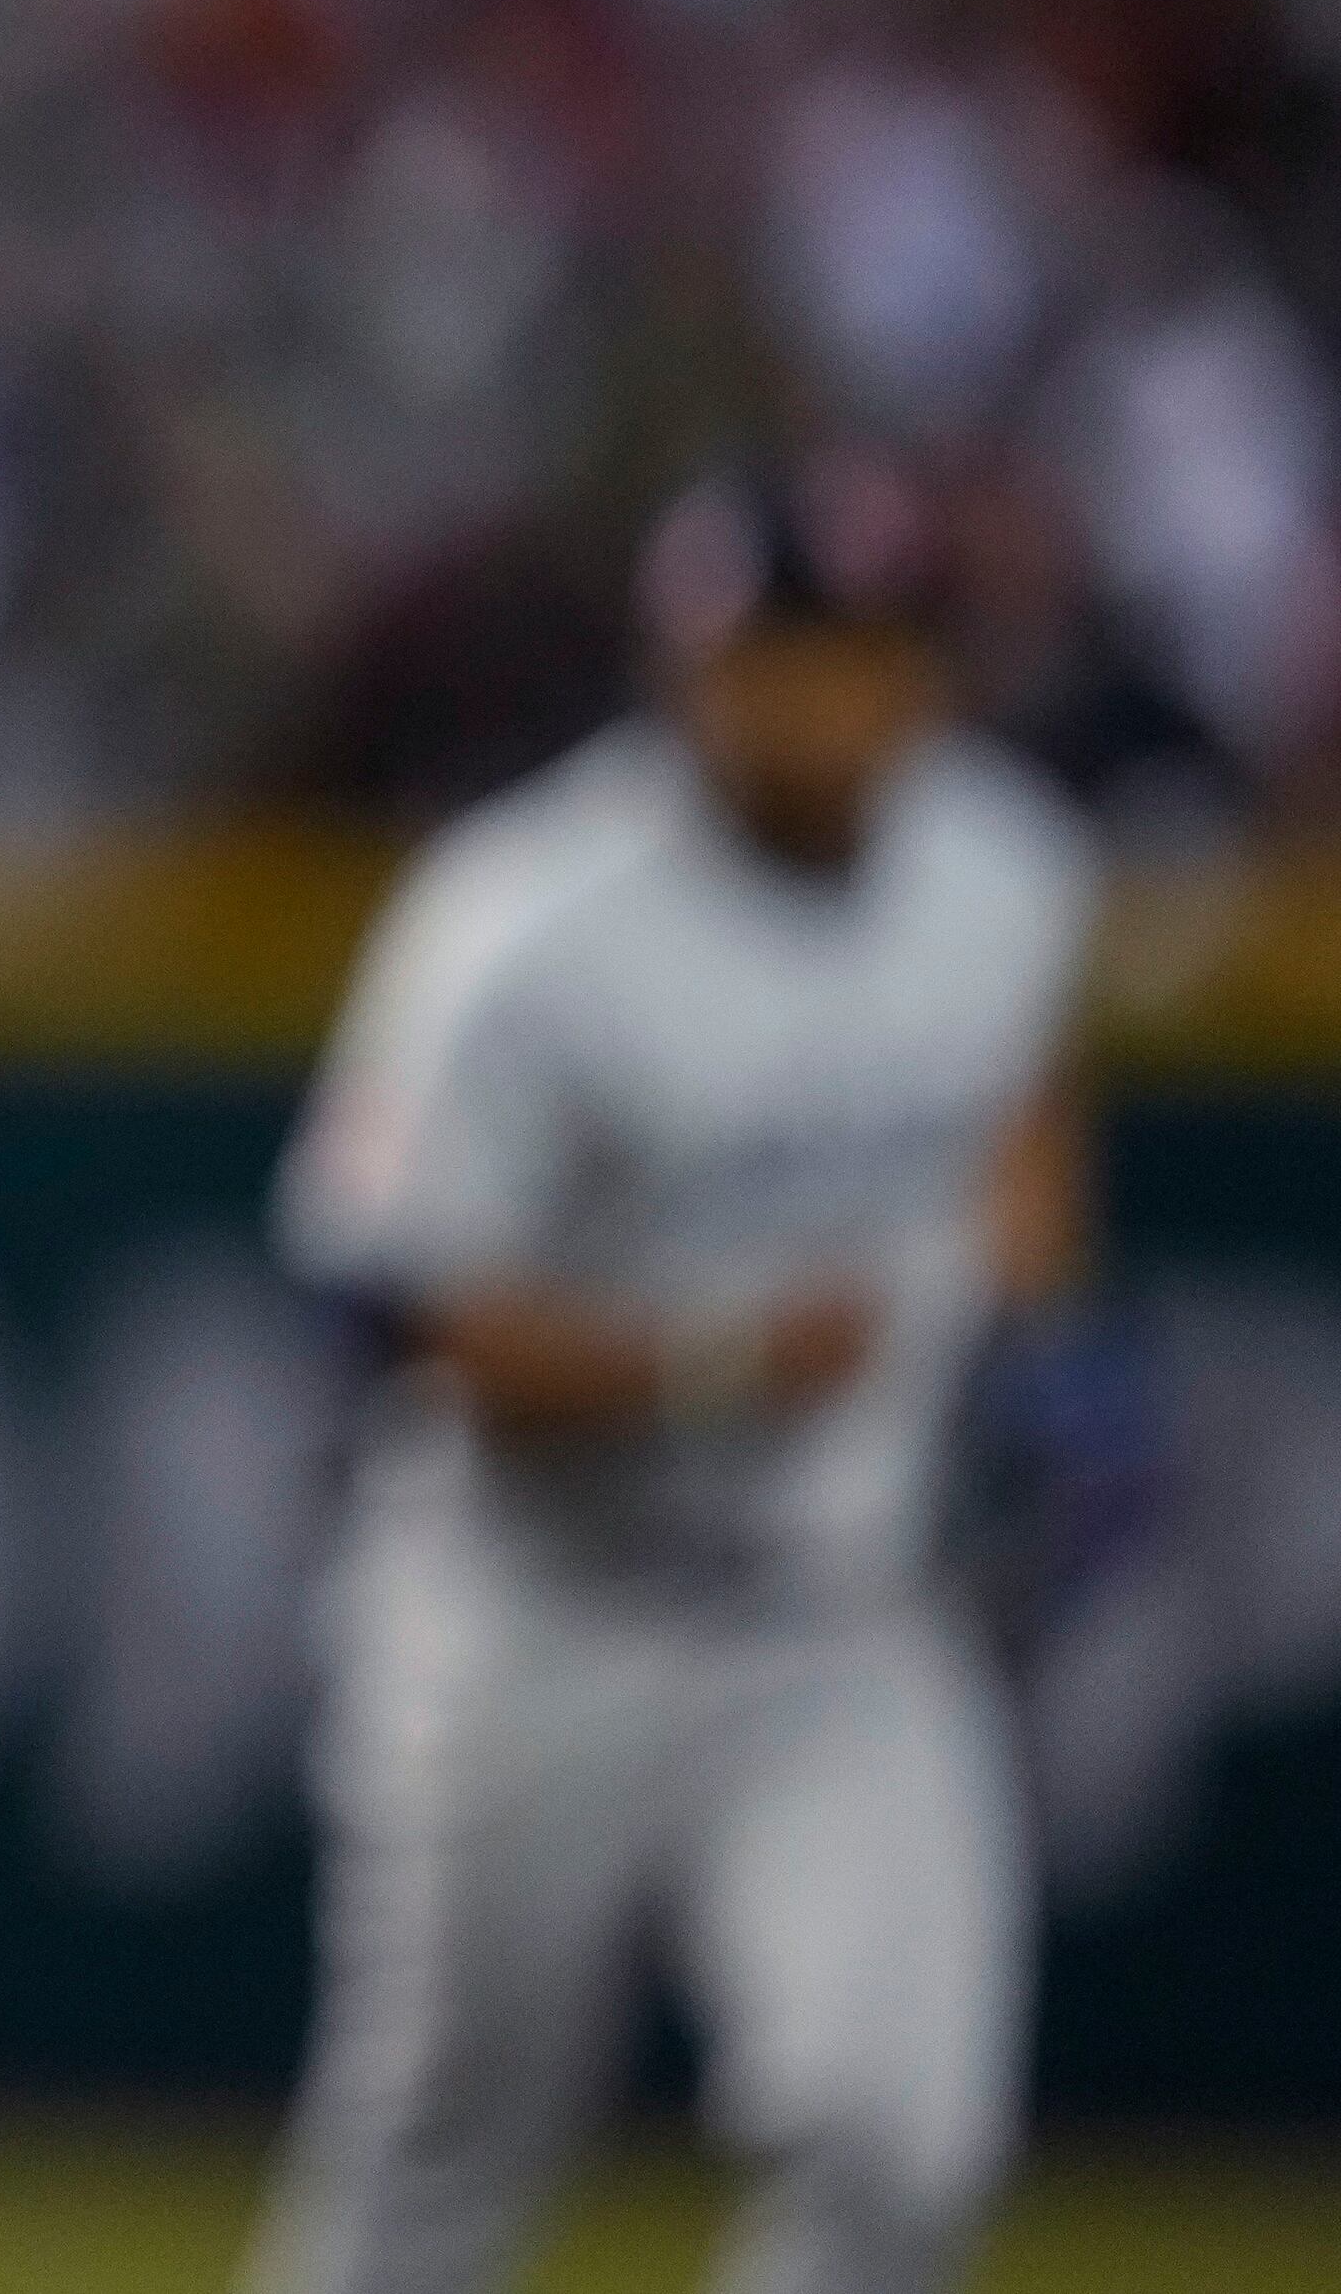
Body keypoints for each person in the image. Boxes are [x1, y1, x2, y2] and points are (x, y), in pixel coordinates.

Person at [243, 461, 1101, 2294]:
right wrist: (719, 1359)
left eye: (849, 657)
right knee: (440, 2157)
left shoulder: (1002, 866)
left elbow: (1021, 1111)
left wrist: (1043, 1325)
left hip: (842, 1612)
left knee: (904, 2139)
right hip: (533, 1606)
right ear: (682, 670)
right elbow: (398, 1307)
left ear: (921, 677)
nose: (807, 701)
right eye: (766, 658)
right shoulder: (523, 919)